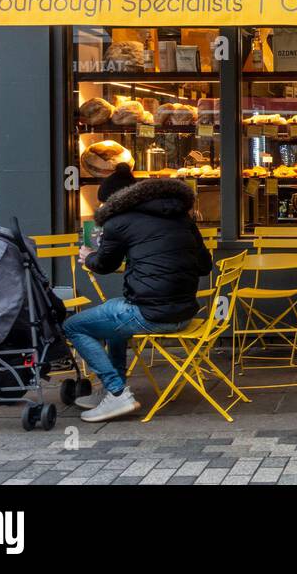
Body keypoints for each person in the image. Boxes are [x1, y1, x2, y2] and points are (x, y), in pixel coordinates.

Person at [64, 171, 212, 422]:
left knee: (72, 325)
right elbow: (205, 266)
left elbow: (104, 265)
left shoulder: (117, 222)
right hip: (186, 313)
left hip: (150, 313)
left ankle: (117, 391)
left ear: (113, 201)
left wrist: (87, 256)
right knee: (113, 314)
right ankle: (113, 390)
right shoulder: (182, 218)